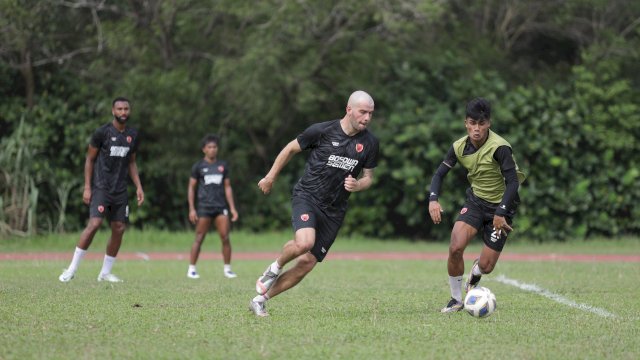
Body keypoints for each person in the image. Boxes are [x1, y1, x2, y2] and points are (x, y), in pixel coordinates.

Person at [248, 90, 380, 317]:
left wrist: (359, 185)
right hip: (308, 196)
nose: (367, 118)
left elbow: (369, 177)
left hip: (335, 210)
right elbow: (290, 148)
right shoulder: (322, 131)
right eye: (362, 112)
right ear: (349, 110)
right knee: (304, 243)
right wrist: (270, 177)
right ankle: (274, 267)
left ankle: (260, 300)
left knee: (307, 263)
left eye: (370, 113)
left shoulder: (370, 143)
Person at [427, 97, 525, 312]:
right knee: (455, 247)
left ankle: (476, 272)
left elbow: (513, 183)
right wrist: (433, 199)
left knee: (487, 266)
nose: (476, 129)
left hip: (503, 206)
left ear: (488, 123)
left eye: (481, 123)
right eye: (472, 123)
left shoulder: (500, 148)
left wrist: (501, 212)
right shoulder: (459, 146)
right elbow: (439, 174)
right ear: (466, 123)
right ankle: (456, 299)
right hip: (476, 202)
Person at [59, 97, 144, 283]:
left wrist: (138, 186)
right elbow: (89, 159)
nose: (123, 112)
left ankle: (105, 273)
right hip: (101, 187)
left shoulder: (133, 135)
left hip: (120, 190)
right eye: (119, 109)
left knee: (119, 228)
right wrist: (87, 187)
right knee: (94, 224)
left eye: (126, 109)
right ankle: (71, 269)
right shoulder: (102, 133)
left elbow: (132, 162)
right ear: (113, 111)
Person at [187, 134, 239, 279]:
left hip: (220, 207)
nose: (212, 150)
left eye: (214, 147)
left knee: (225, 237)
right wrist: (192, 208)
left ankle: (227, 269)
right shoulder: (198, 167)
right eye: (209, 147)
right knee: (199, 237)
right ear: (204, 149)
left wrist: (232, 208)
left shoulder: (222, 166)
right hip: (204, 207)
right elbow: (191, 188)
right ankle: (191, 269)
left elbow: (228, 187)